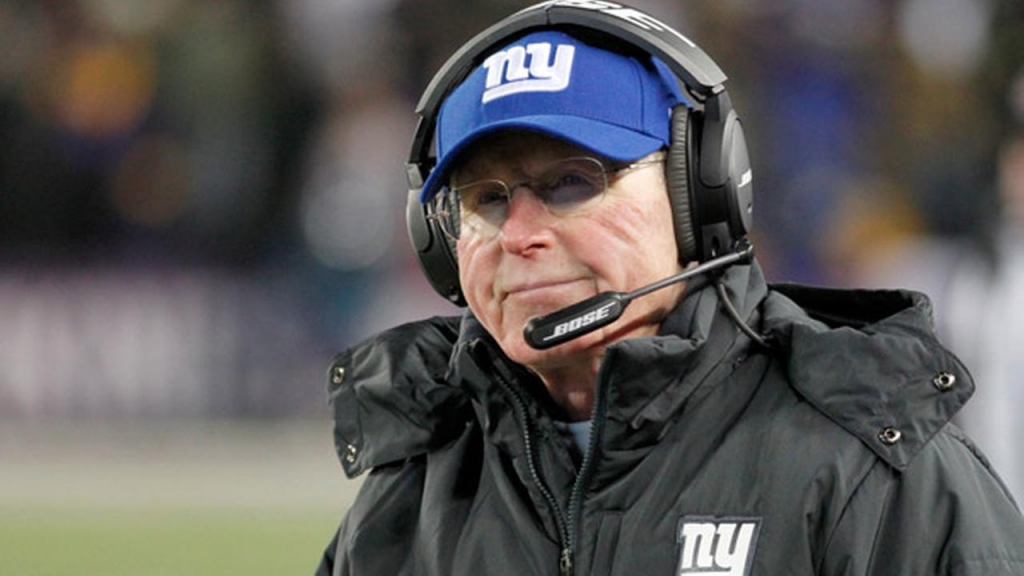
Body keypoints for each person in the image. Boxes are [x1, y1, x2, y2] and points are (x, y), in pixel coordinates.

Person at [316, 2, 1024, 574]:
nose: (519, 234)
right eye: (487, 200)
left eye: (572, 182)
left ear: (702, 193)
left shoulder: (870, 469)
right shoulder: (404, 500)